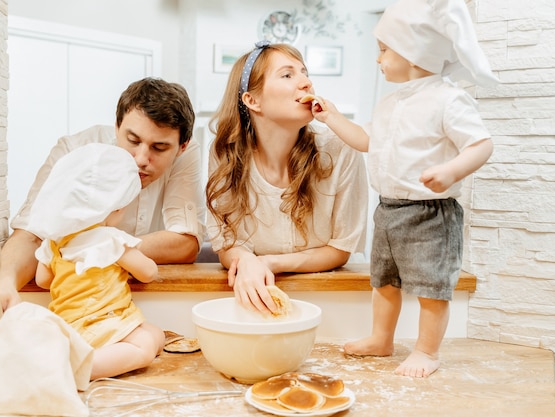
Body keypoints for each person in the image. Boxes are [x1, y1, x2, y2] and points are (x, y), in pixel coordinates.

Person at [311, 0, 498, 377]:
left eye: (383, 50)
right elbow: (366, 140)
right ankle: (382, 339)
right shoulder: (389, 102)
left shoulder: (449, 99)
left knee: (432, 288)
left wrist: (450, 171)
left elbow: (481, 144)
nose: (378, 60)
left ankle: (427, 352)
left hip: (430, 214)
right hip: (389, 210)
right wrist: (331, 117)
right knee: (384, 282)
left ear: (413, 53)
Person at [0, 77, 205, 336]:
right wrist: (4, 283)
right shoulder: (74, 150)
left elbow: (186, 242)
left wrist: (96, 245)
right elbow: (30, 234)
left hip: (134, 314)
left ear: (181, 147)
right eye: (132, 140)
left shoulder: (186, 153)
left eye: (159, 147)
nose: (141, 159)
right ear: (117, 126)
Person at [206, 41, 368, 314]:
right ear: (252, 100)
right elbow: (227, 244)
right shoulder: (226, 153)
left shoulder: (342, 149)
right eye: (287, 74)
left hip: (335, 307)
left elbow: (341, 248)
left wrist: (269, 263)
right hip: (252, 304)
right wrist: (244, 260)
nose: (306, 83)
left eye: (304, 72)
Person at [28, 143, 164, 379]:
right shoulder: (109, 239)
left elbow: (43, 280)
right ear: (111, 209)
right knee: (145, 347)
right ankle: (78, 369)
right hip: (101, 321)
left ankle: (80, 358)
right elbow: (148, 272)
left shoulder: (54, 243)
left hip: (69, 323)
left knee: (156, 336)